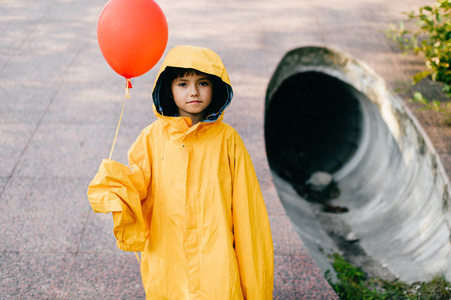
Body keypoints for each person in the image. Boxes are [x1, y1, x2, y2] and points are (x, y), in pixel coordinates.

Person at [87, 45, 274, 299]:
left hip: (216, 263)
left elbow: (248, 215)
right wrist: (115, 187)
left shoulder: (228, 141)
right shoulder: (152, 138)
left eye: (203, 82)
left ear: (215, 87)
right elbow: (137, 187)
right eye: (183, 84)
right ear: (169, 89)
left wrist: (256, 288)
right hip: (168, 262)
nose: (194, 92)